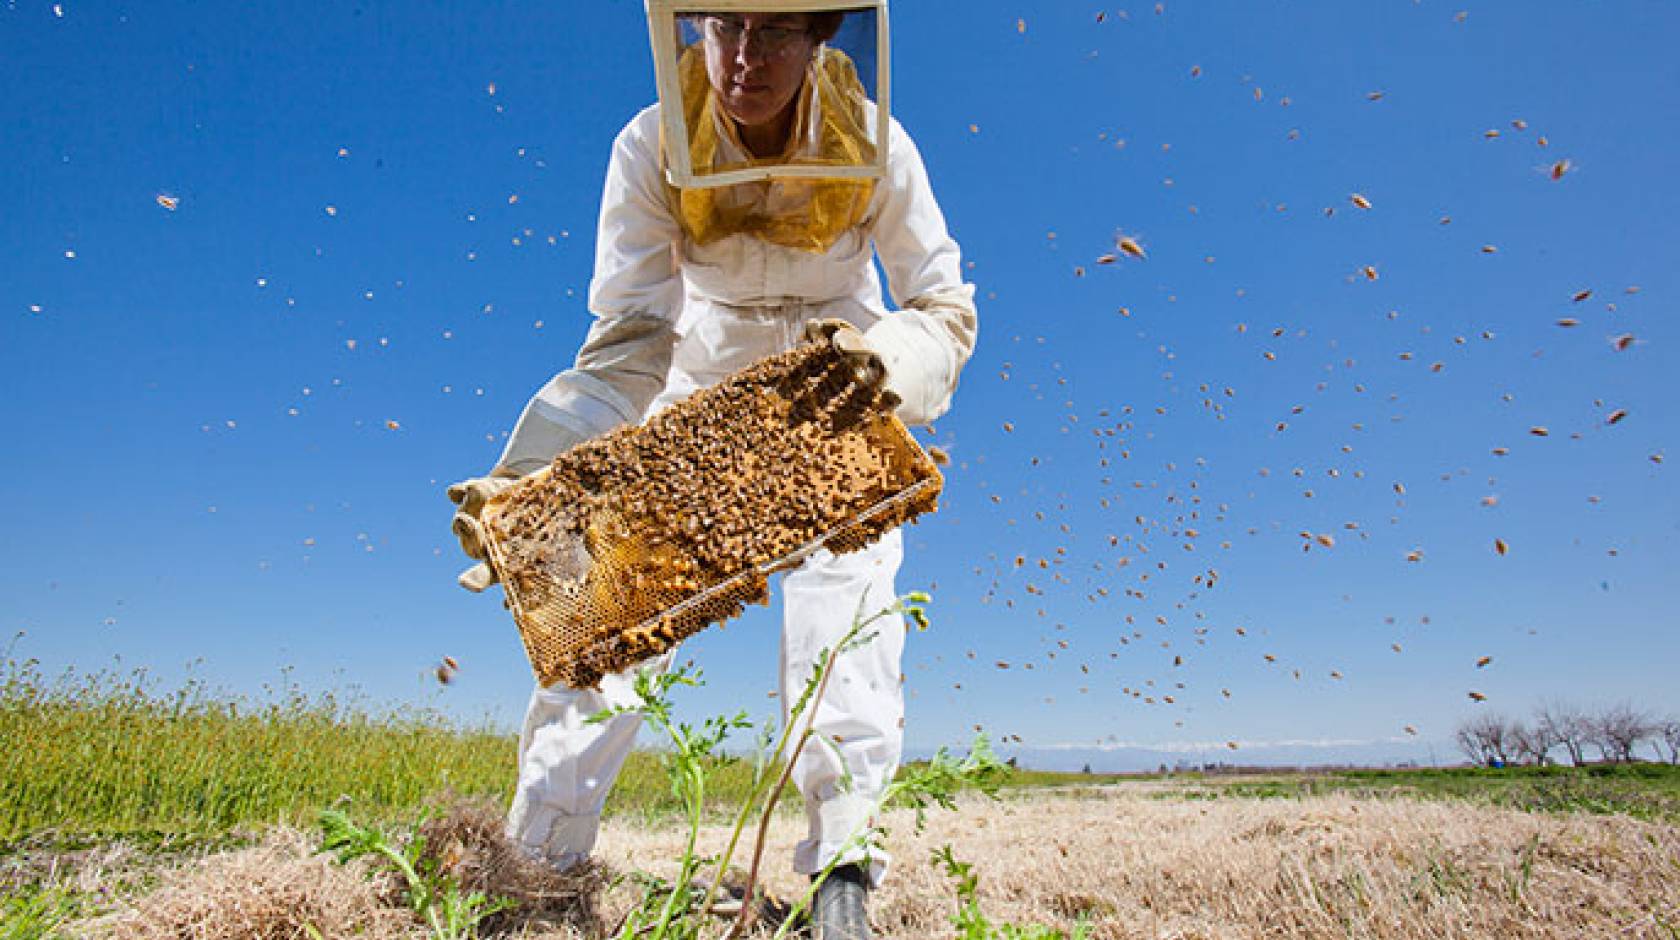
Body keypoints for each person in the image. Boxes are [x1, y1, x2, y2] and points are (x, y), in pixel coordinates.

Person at [448, 8, 976, 937]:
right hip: (699, 385)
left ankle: (842, 878)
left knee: (849, 620)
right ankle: (535, 874)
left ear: (821, 37)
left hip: (836, 380)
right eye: (725, 25)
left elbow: (944, 309)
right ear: (689, 27)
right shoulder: (651, 142)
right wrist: (529, 476)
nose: (743, 58)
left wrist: (885, 362)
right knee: (605, 612)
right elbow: (628, 339)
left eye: (775, 31)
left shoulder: (876, 143)